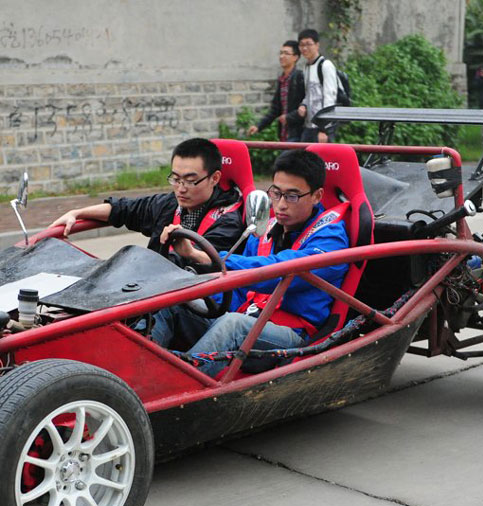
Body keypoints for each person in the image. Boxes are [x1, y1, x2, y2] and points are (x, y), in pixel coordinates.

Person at [152, 149, 349, 376]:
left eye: (292, 196)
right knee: (171, 300)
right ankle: (129, 374)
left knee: (234, 325)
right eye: (276, 193)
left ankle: (171, 386)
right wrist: (200, 299)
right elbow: (239, 290)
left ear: (317, 196)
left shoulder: (331, 239)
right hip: (249, 318)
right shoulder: (265, 231)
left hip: (292, 335)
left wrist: (201, 255)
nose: (281, 204)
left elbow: (279, 269)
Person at [50, 138, 245, 256]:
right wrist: (76, 213)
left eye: (190, 180)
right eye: (175, 179)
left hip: (191, 306)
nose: (181, 188)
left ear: (214, 178)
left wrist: (191, 253)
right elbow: (124, 209)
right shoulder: (169, 204)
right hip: (152, 295)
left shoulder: (228, 220)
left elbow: (209, 263)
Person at [247, 41, 306, 143]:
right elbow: (275, 109)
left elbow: (307, 105)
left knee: (283, 159)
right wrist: (258, 126)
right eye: (281, 53)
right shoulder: (282, 80)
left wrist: (289, 117)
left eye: (286, 53)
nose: (282, 56)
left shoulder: (300, 78)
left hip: (298, 134)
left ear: (295, 57)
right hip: (284, 134)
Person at [296, 28, 338, 144]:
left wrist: (324, 129)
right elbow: (309, 93)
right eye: (302, 45)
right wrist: (303, 105)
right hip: (309, 126)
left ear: (317, 45)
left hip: (322, 128)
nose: (305, 48)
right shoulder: (306, 67)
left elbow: (330, 98)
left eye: (309, 44)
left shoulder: (325, 66)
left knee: (324, 161)